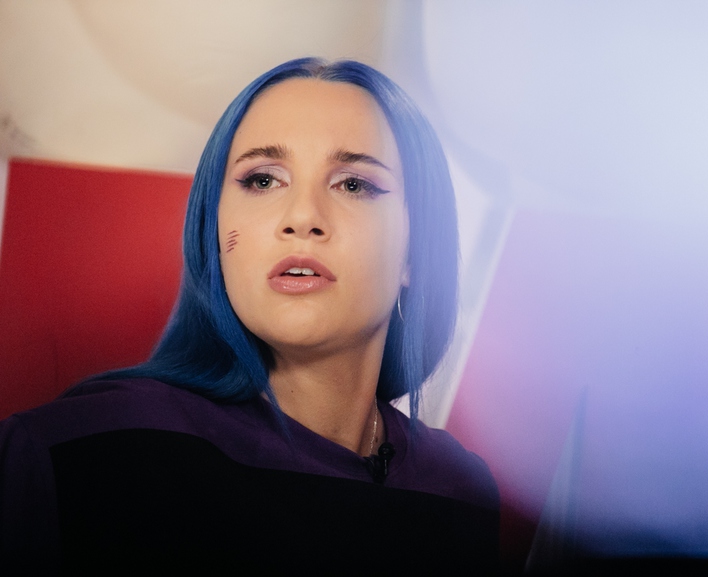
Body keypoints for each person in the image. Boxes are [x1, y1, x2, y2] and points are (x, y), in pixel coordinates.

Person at [0, 58, 499, 574]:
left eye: (354, 184)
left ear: (417, 251)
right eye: (262, 180)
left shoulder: (460, 493)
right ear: (214, 229)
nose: (302, 217)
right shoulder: (72, 453)